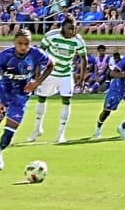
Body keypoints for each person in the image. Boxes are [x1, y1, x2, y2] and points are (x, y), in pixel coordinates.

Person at [0, 31, 49, 173]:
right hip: (3, 93)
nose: (23, 47)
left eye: (26, 44)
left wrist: (37, 82)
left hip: (21, 97)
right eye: (20, 43)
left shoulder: (37, 54)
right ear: (14, 43)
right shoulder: (4, 57)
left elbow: (50, 65)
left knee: (10, 131)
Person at [30, 16, 87, 144]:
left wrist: (82, 78)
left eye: (74, 28)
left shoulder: (78, 41)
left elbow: (84, 59)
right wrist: (37, 74)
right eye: (69, 28)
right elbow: (40, 54)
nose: (72, 31)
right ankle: (37, 128)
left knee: (66, 99)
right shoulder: (51, 36)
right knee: (41, 97)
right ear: (63, 27)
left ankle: (61, 134)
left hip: (66, 73)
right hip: (50, 72)